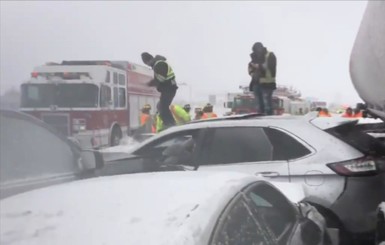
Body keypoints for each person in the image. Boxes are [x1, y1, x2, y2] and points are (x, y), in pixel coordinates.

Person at [141, 52, 178, 130]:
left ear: (148, 60)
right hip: (168, 89)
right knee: (160, 106)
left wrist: (150, 83)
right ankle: (169, 124)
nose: (147, 65)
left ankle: (171, 125)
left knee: (163, 107)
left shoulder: (159, 64)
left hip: (169, 89)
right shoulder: (157, 64)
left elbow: (161, 79)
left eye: (146, 63)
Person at [248, 42, 277, 115]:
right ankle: (261, 118)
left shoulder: (270, 55)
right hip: (256, 83)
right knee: (259, 106)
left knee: (267, 105)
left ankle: (268, 119)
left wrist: (258, 66)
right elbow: (250, 68)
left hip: (267, 84)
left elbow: (270, 66)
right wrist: (252, 73)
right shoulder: (254, 57)